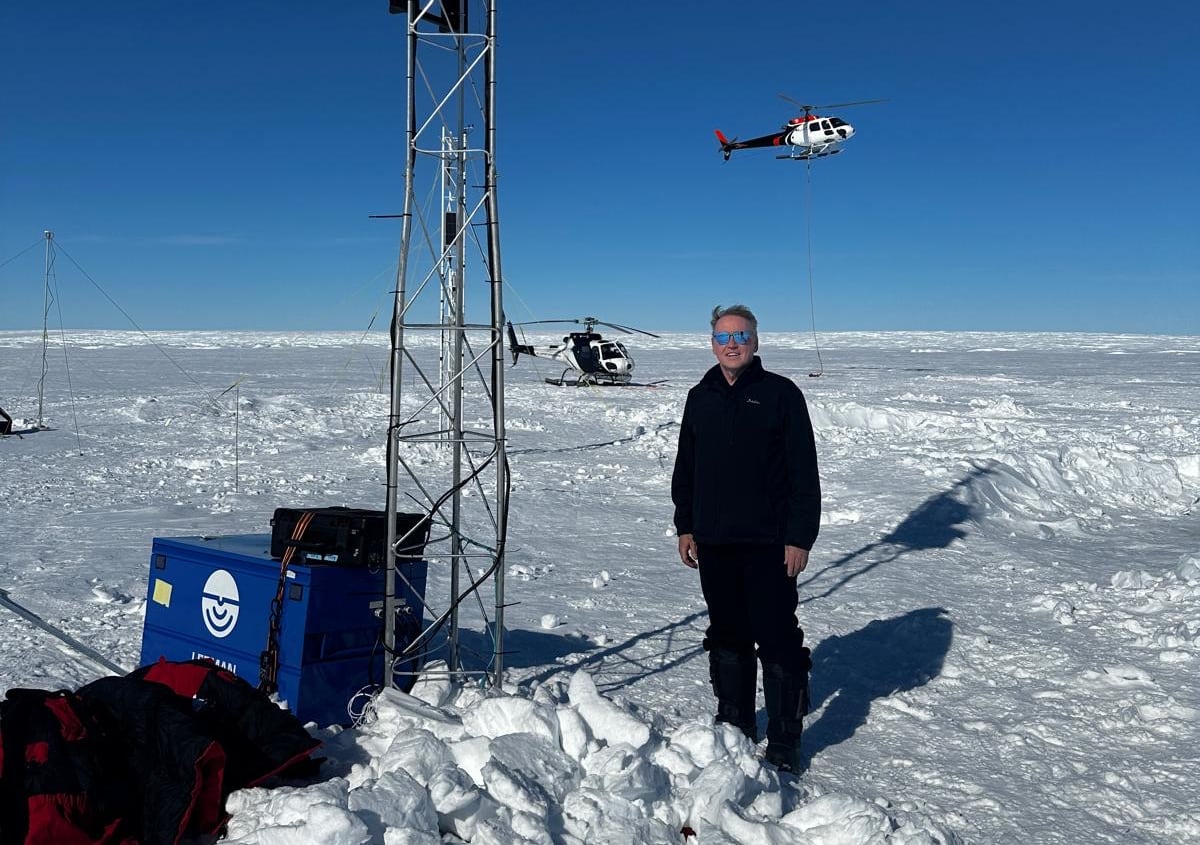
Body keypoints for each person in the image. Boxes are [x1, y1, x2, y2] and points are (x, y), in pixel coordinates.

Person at [671, 304, 821, 773]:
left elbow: (804, 473)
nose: (731, 344)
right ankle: (734, 726)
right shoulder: (701, 396)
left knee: (777, 638)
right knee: (727, 635)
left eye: (740, 335)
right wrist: (686, 524)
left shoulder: (781, 395)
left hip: (770, 544)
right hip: (714, 541)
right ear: (711, 343)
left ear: (756, 342)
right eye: (722, 336)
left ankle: (784, 740)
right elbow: (687, 468)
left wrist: (799, 537)